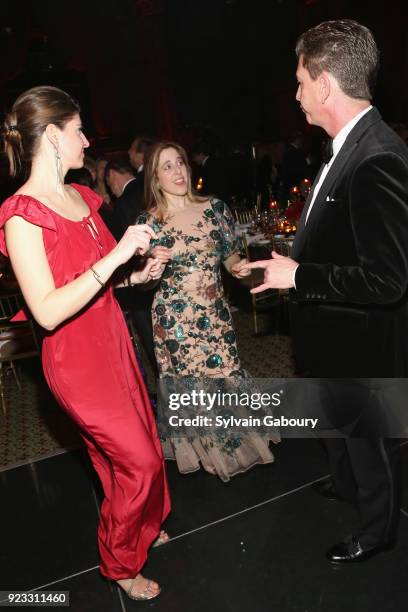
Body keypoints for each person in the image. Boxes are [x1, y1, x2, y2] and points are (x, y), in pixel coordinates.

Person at [242, 20, 408, 563]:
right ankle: (344, 482)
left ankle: (379, 529)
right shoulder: (346, 146)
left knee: (368, 441)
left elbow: (388, 280)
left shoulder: (377, 155)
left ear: (325, 85)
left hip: (360, 344)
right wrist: (297, 263)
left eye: (299, 82)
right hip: (331, 334)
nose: (294, 95)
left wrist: (301, 277)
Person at [0, 86, 171, 600]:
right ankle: (119, 561)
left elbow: (98, 280)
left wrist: (137, 275)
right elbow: (48, 310)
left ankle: (138, 528)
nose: (87, 139)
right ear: (52, 136)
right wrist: (117, 258)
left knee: (130, 455)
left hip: (113, 340)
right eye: (78, 130)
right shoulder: (22, 214)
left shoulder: (81, 195)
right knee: (137, 461)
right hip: (76, 361)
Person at [137, 141, 276, 482]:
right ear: (155, 177)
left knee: (226, 372)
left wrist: (251, 271)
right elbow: (142, 284)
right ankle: (213, 453)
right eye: (167, 166)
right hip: (174, 321)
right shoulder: (148, 224)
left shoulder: (215, 208)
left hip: (215, 314)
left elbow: (231, 260)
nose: (177, 171)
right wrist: (148, 276)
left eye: (180, 162)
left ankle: (236, 442)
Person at [105, 157, 158, 375]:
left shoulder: (123, 203)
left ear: (112, 176)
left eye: (109, 184)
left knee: (151, 336)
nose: (111, 189)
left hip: (141, 278)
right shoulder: (153, 188)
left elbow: (125, 249)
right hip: (167, 272)